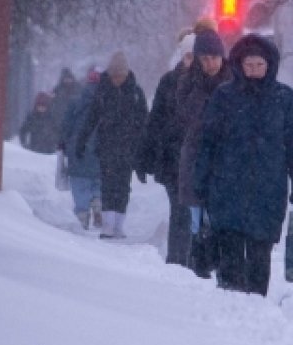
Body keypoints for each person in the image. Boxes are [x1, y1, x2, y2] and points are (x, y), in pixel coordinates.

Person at [193, 33, 293, 296]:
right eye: (249, 65)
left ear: (269, 65)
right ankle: (231, 301)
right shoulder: (224, 96)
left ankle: (256, 303)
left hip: (268, 187)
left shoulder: (283, 98)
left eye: (259, 65)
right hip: (227, 185)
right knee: (230, 248)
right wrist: (200, 179)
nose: (254, 71)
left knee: (260, 250)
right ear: (239, 65)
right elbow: (208, 141)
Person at [176, 28, 232, 278]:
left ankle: (224, 269)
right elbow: (188, 117)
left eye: (214, 57)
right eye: (205, 59)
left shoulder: (235, 82)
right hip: (197, 159)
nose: (210, 64)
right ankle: (199, 267)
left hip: (226, 162)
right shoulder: (188, 83)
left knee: (222, 219)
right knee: (197, 221)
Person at [76, 51, 148, 239]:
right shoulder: (103, 91)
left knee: (123, 185)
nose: (117, 80)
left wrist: (144, 149)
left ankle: (118, 224)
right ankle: (108, 224)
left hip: (128, 148)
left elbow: (144, 122)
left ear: (126, 74)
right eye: (114, 76)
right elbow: (92, 118)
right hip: (107, 146)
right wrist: (82, 141)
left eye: (120, 76)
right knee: (108, 184)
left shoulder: (135, 93)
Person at [140, 31, 196, 265]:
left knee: (197, 213)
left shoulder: (216, 83)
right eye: (189, 56)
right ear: (182, 57)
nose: (193, 61)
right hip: (174, 159)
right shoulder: (169, 82)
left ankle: (196, 259)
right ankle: (178, 259)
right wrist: (144, 156)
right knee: (180, 210)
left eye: (198, 56)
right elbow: (155, 121)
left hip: (202, 161)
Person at [60, 68, 103, 229]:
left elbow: (66, 127)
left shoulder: (75, 102)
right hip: (100, 151)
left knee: (80, 184)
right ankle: (98, 202)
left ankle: (83, 215)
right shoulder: (107, 102)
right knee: (98, 181)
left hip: (78, 150)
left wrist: (64, 144)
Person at [48, 67, 82, 132]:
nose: (68, 81)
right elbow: (51, 104)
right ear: (62, 79)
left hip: (74, 118)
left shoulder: (78, 88)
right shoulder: (57, 90)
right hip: (60, 119)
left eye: (69, 78)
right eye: (66, 79)